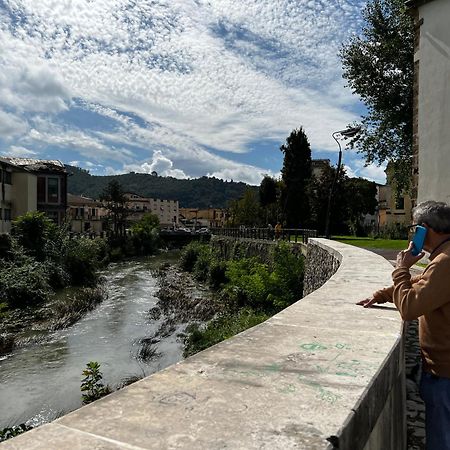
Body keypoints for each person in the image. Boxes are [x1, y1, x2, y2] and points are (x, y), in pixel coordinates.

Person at [358, 201, 450, 450]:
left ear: (424, 229)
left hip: (445, 374)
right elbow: (424, 283)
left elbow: (409, 308)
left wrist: (401, 268)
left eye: (414, 228)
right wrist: (382, 294)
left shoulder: (445, 262)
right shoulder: (443, 257)